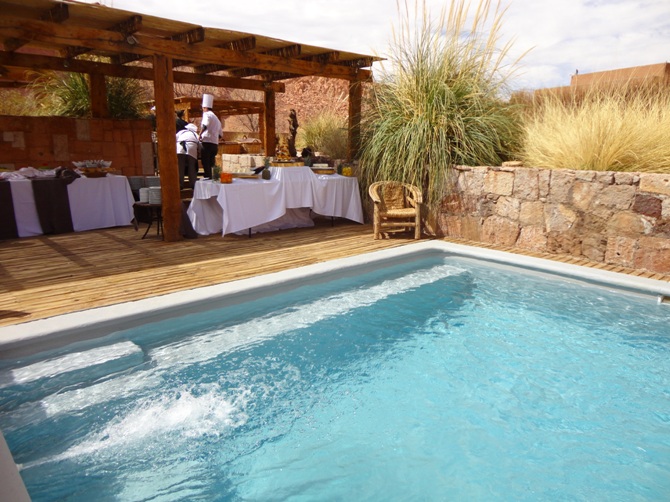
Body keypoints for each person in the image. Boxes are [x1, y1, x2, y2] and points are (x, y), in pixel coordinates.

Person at [199, 93, 222, 180]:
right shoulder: (217, 119)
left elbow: (205, 125)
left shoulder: (207, 114)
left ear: (205, 107)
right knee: (212, 162)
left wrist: (200, 134)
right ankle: (213, 178)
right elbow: (220, 134)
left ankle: (207, 178)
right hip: (214, 144)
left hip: (207, 142)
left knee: (205, 162)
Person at [176, 123, 200, 189]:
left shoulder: (181, 132)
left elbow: (175, 139)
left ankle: (180, 184)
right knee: (192, 166)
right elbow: (199, 143)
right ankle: (193, 184)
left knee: (180, 167)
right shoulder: (195, 134)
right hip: (191, 147)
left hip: (180, 147)